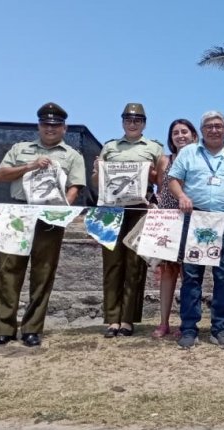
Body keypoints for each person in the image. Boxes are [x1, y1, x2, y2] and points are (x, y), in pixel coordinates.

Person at [0, 103, 86, 348]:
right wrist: (29, 166)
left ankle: (32, 329)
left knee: (43, 272)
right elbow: (0, 175)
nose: (50, 128)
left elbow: (75, 186)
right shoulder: (21, 149)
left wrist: (63, 208)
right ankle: (3, 328)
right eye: (45, 124)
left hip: (50, 216)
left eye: (55, 125)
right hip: (19, 212)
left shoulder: (72, 155)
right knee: (8, 270)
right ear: (39, 126)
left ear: (64, 128)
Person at [168, 111, 224, 349]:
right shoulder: (189, 152)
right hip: (196, 218)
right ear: (201, 130)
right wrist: (181, 196)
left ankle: (221, 328)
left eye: (218, 126)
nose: (214, 130)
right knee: (192, 276)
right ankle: (189, 328)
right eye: (209, 126)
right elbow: (173, 179)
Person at [93, 103, 165, 338]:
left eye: (137, 120)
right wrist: (97, 171)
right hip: (110, 210)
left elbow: (159, 180)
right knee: (112, 264)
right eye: (128, 119)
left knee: (135, 264)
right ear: (122, 121)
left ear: (144, 123)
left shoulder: (154, 147)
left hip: (138, 208)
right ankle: (112, 318)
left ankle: (128, 319)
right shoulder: (110, 147)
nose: (132, 123)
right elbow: (97, 182)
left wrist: (151, 172)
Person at [152, 118, 199, 339]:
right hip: (169, 218)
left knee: (187, 273)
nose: (180, 136)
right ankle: (163, 322)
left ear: (193, 135)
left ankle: (185, 322)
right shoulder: (165, 160)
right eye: (175, 133)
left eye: (184, 132)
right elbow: (162, 188)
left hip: (192, 218)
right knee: (167, 270)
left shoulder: (200, 158)